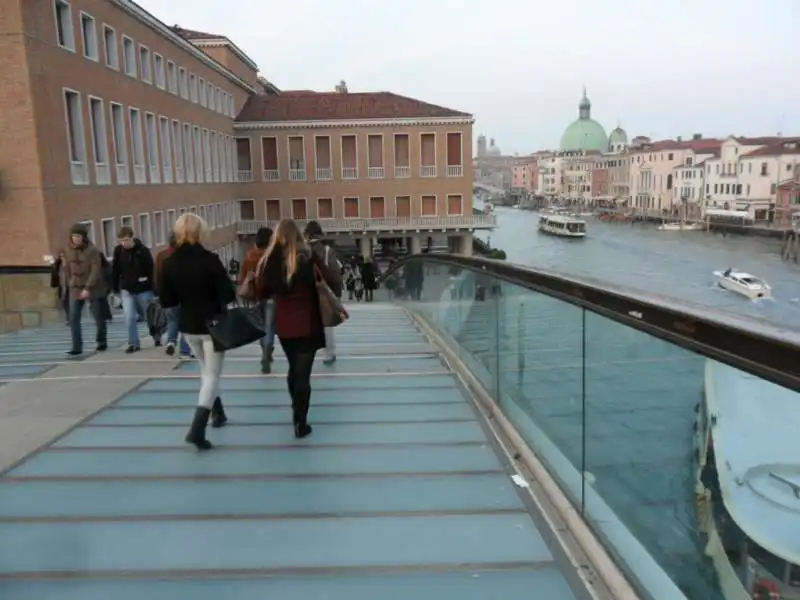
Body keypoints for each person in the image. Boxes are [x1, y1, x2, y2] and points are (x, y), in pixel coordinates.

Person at [256, 219, 342, 438]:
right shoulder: (309, 257)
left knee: (293, 370)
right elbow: (331, 281)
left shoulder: (271, 261)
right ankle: (300, 421)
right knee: (303, 374)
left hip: (285, 328)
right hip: (309, 324)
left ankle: (296, 409)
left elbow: (262, 291)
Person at [158, 213, 236, 450]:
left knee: (206, 371)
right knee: (212, 375)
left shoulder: (169, 263)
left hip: (188, 327)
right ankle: (197, 428)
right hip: (213, 326)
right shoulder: (210, 260)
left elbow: (167, 300)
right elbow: (229, 295)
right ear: (201, 232)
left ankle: (218, 412)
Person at [111, 226, 157, 353]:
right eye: (121, 240)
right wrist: (115, 289)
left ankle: (156, 336)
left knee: (149, 316)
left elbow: (151, 269)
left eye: (126, 240)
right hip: (127, 290)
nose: (124, 243)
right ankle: (133, 343)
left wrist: (154, 288)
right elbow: (115, 270)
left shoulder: (143, 251)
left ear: (132, 238)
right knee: (129, 317)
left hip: (144, 289)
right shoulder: (118, 251)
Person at [63, 223, 108, 356]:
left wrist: (88, 287)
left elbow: (95, 270)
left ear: (84, 237)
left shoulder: (93, 250)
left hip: (93, 287)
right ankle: (76, 346)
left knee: (98, 317)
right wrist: (70, 281)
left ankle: (101, 342)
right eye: (74, 236)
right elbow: (67, 268)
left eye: (79, 236)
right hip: (75, 287)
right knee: (73, 317)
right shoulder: (68, 249)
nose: (76, 239)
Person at [304, 221, 342, 365]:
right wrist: (337, 293)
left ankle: (307, 353)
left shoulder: (301, 251)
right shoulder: (327, 251)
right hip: (325, 292)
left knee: (307, 324)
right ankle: (329, 354)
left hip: (306, 292)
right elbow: (336, 275)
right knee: (328, 324)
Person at [239, 227, 275, 373]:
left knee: (261, 327)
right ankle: (268, 348)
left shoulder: (249, 257)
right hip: (271, 296)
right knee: (270, 326)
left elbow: (242, 279)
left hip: (254, 297)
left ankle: (264, 349)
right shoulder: (273, 257)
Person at [155, 233, 192, 358]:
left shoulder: (161, 256)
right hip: (185, 295)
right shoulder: (184, 257)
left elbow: (157, 278)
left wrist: (160, 294)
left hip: (168, 296)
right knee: (186, 323)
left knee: (172, 320)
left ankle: (171, 341)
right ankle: (185, 350)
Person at [50, 251, 69, 324]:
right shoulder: (58, 266)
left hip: (71, 287)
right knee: (65, 303)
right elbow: (54, 275)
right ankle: (68, 318)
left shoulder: (70, 265)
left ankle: (71, 318)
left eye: (64, 256)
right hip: (62, 287)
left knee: (71, 303)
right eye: (61, 256)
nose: (63, 258)